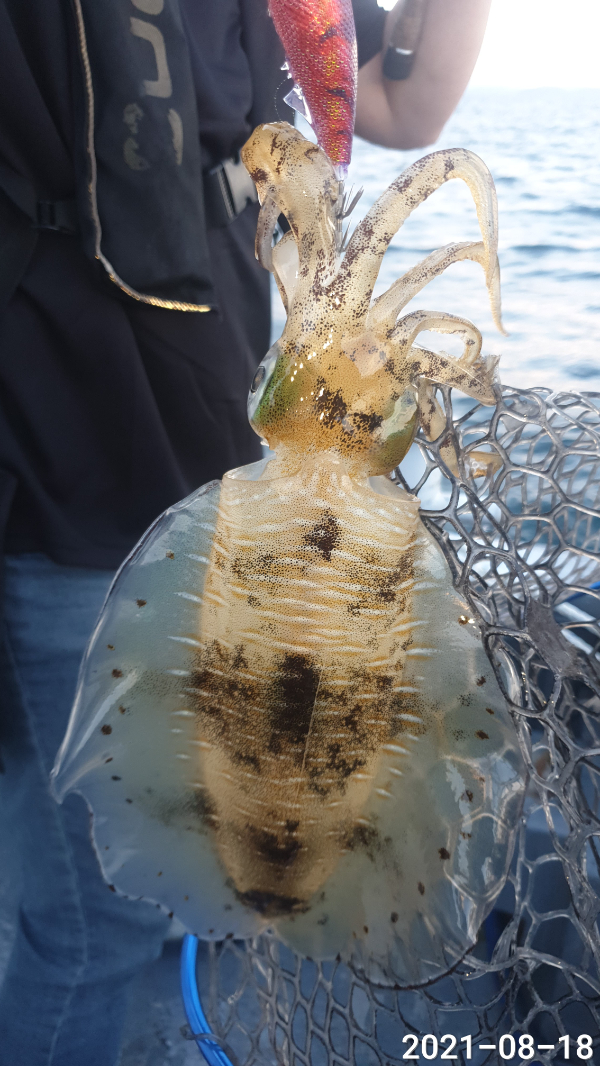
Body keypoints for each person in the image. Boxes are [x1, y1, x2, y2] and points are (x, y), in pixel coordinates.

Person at [0, 1, 492, 1063]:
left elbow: (403, 102)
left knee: (193, 879)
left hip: (214, 482)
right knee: (90, 927)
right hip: (58, 485)